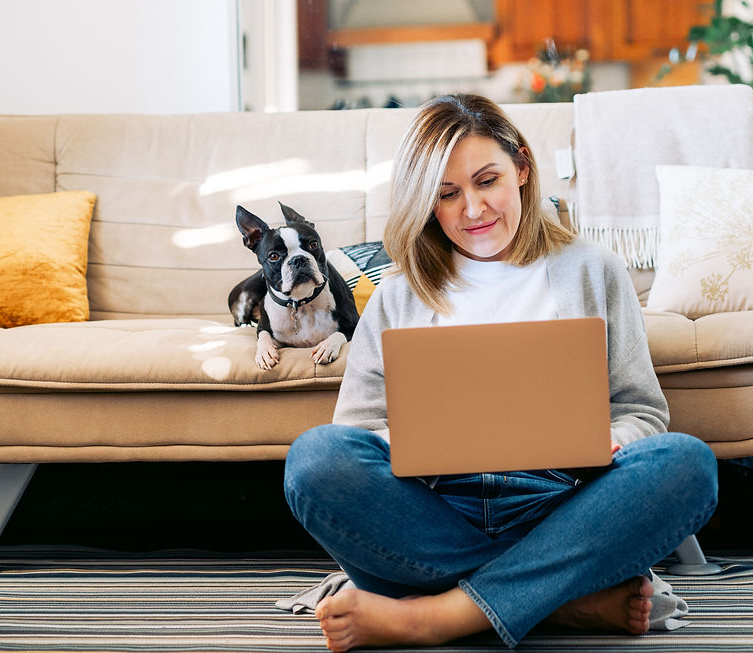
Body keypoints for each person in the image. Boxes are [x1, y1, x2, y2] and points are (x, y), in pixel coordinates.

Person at [283, 94, 718, 652]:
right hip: (434, 510)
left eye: (487, 180)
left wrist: (613, 438)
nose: (473, 209)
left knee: (687, 465)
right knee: (314, 459)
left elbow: (643, 411)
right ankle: (562, 603)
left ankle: (434, 616)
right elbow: (355, 436)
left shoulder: (594, 271)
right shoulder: (396, 297)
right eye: (447, 194)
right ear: (428, 205)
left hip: (564, 505)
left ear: (523, 168)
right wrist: (413, 442)